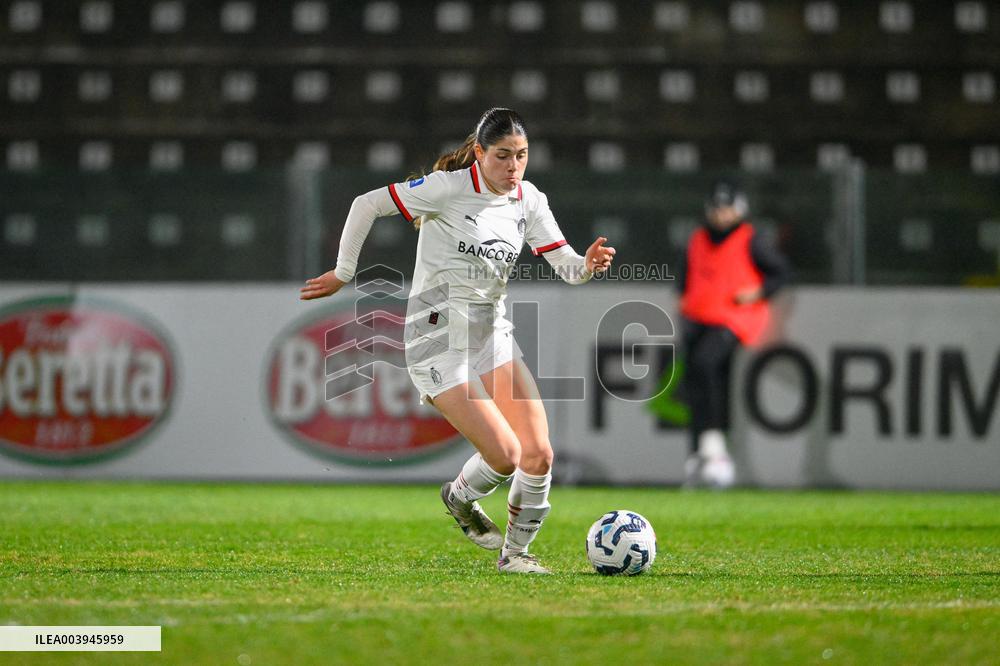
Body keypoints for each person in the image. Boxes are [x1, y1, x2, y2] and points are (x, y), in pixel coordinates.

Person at [300, 108, 615, 574]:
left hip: (491, 335)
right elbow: (366, 204)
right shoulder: (446, 189)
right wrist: (345, 272)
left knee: (538, 453)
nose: (513, 167)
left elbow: (568, 269)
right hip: (435, 340)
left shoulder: (528, 200)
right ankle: (462, 497)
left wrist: (587, 264)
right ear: (480, 154)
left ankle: (515, 555)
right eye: (503, 156)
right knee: (505, 456)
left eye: (522, 156)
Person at [677, 179, 790, 488]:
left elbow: (780, 272)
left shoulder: (750, 239)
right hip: (697, 318)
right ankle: (699, 452)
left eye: (726, 208)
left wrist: (759, 291)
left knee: (705, 365)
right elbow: (685, 276)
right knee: (696, 383)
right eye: (716, 208)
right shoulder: (698, 238)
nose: (721, 215)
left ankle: (714, 448)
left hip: (733, 319)